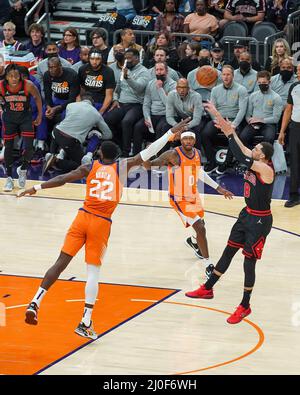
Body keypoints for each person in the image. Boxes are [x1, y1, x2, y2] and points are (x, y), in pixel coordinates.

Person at [20, 118, 190, 339]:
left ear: (99, 154)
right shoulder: (121, 167)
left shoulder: (90, 166)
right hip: (101, 222)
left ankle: (35, 301)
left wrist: (36, 187)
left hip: (82, 217)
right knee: (93, 272)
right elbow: (148, 152)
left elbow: (62, 178)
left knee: (60, 263)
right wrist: (169, 134)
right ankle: (85, 321)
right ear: (115, 156)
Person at [186, 101, 275, 325]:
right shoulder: (256, 159)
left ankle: (245, 305)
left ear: (263, 156)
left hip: (260, 220)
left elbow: (240, 153)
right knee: (228, 252)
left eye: (256, 150)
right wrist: (221, 119)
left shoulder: (264, 168)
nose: (252, 150)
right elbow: (238, 144)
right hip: (246, 214)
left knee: (248, 263)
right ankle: (207, 289)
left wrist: (230, 137)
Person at [144, 130, 233, 278]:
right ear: (181, 140)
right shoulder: (172, 154)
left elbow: (199, 173)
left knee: (200, 224)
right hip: (179, 198)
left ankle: (192, 242)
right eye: (185, 139)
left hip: (193, 195)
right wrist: (147, 153)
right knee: (200, 227)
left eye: (191, 139)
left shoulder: (197, 153)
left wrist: (219, 188)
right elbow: (150, 165)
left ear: (194, 141)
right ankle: (208, 264)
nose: (188, 141)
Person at [43, 93, 113, 174]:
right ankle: (56, 162)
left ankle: (53, 154)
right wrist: (96, 132)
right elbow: (109, 135)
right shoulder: (96, 114)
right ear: (92, 103)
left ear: (81, 100)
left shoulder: (70, 105)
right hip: (69, 140)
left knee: (62, 130)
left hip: (56, 133)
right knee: (81, 165)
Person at [0, 64, 42, 192]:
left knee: (29, 148)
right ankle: (9, 178)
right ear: (6, 77)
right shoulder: (1, 86)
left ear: (20, 76)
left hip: (25, 117)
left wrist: (40, 115)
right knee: (8, 147)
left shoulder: (28, 85)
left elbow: (38, 98)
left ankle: (23, 169)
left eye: (16, 76)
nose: (14, 79)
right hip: (9, 118)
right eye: (11, 76)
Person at [202, 65, 248, 174]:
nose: (226, 77)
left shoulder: (241, 89)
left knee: (234, 136)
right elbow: (212, 109)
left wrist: (234, 124)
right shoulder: (215, 90)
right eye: (224, 74)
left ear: (233, 75)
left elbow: (242, 110)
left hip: (233, 120)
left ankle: (226, 163)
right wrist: (219, 121)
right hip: (218, 120)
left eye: (228, 74)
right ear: (221, 76)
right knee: (204, 134)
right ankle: (212, 162)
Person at [105, 48, 150, 157]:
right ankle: (119, 146)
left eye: (129, 58)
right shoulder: (125, 69)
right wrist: (115, 99)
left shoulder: (144, 71)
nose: (127, 61)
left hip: (137, 104)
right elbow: (118, 88)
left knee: (127, 121)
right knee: (107, 119)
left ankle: (126, 152)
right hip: (122, 103)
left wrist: (128, 77)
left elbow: (139, 88)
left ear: (137, 58)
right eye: (126, 58)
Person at [134, 61, 177, 154]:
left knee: (161, 127)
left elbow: (169, 105)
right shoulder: (150, 84)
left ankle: (160, 155)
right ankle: (136, 155)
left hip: (167, 115)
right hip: (153, 115)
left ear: (167, 71)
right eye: (157, 70)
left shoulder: (173, 85)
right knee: (138, 127)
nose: (159, 72)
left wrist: (160, 89)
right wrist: (147, 117)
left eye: (161, 69)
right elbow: (146, 104)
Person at [239, 70, 283, 149]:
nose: (261, 84)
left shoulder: (276, 97)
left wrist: (261, 120)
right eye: (259, 83)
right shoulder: (253, 96)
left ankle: (265, 158)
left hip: (269, 124)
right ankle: (252, 154)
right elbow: (248, 114)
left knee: (269, 138)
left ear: (269, 82)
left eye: (264, 82)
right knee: (242, 137)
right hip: (254, 124)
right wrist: (250, 120)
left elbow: (276, 119)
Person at [278, 64, 300, 208]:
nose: (298, 72)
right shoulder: (294, 87)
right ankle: (294, 195)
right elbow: (288, 110)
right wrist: (282, 131)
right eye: (297, 69)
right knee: (295, 161)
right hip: (296, 127)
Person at [166, 78, 204, 148]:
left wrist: (185, 127)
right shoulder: (171, 95)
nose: (182, 90)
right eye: (179, 87)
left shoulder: (196, 96)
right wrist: (177, 126)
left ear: (188, 88)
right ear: (176, 88)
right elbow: (169, 116)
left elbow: (197, 120)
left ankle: (197, 154)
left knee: (194, 131)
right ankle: (165, 155)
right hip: (181, 120)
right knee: (164, 127)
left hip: (195, 119)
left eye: (184, 88)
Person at [78, 49, 116, 115]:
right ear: (88, 58)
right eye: (92, 59)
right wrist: (79, 104)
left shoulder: (108, 71)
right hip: (86, 100)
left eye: (97, 59)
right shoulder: (82, 69)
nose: (94, 62)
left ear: (102, 59)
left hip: (101, 102)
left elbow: (109, 96)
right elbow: (81, 89)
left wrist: (101, 111)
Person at [43, 57, 80, 123]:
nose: (51, 70)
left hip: (69, 101)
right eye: (49, 67)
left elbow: (72, 99)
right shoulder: (47, 75)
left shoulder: (71, 74)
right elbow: (47, 95)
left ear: (60, 66)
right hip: (57, 99)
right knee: (43, 112)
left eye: (54, 67)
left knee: (65, 116)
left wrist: (56, 109)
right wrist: (49, 107)